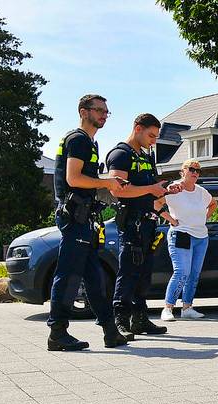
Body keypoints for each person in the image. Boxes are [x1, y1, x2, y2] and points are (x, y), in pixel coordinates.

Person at [46, 93, 131, 352]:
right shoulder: (79, 140)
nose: (104, 115)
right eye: (99, 110)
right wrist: (107, 182)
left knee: (95, 278)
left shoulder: (89, 143)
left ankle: (110, 331)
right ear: (84, 112)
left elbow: (84, 180)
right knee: (68, 275)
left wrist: (107, 182)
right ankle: (57, 333)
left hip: (84, 219)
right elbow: (73, 179)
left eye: (106, 111)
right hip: (75, 218)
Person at [108, 113, 177, 336]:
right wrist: (150, 189)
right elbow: (117, 190)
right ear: (137, 128)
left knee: (144, 274)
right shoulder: (120, 154)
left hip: (148, 222)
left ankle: (139, 319)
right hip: (131, 223)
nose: (154, 141)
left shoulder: (146, 157)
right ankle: (120, 320)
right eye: (151, 135)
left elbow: (152, 189)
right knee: (128, 272)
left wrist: (166, 190)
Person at [159, 160, 217, 321]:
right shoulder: (174, 189)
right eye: (191, 169)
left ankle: (187, 307)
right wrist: (171, 220)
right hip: (181, 234)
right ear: (182, 171)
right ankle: (168, 308)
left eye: (198, 170)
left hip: (201, 237)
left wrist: (204, 218)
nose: (195, 172)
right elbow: (156, 203)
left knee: (194, 274)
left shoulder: (201, 192)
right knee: (182, 271)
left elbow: (213, 204)